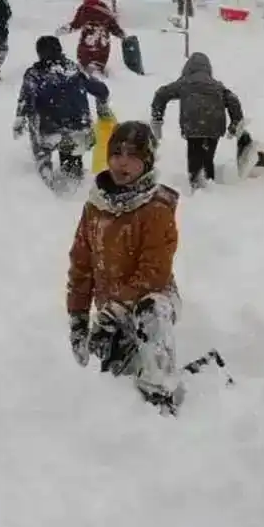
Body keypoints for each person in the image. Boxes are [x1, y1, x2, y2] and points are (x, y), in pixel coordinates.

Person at [67, 121, 184, 415]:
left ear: (146, 162)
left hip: (154, 300)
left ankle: (163, 392)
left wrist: (115, 311)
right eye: (116, 153)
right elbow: (81, 264)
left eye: (133, 155)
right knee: (115, 381)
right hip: (109, 311)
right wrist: (79, 318)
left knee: (151, 311)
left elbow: (154, 272)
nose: (122, 162)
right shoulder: (95, 207)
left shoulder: (156, 209)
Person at [13, 36, 110, 190]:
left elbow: (26, 101)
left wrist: (20, 120)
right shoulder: (74, 70)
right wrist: (103, 105)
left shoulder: (34, 74)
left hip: (49, 129)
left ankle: (44, 171)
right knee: (72, 153)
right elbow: (101, 90)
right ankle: (73, 181)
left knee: (35, 125)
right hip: (79, 127)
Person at [149, 52, 244, 189]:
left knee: (194, 155)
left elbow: (161, 93)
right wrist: (235, 123)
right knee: (208, 155)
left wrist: (157, 116)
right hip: (215, 125)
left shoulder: (184, 82)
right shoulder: (217, 85)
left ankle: (197, 185)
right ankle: (208, 180)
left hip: (193, 124)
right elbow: (233, 100)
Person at [60, 0, 124, 76]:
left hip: (86, 44)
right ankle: (99, 72)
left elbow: (76, 24)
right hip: (102, 44)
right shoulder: (104, 9)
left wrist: (65, 29)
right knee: (99, 64)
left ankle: (87, 74)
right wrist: (121, 34)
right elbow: (113, 26)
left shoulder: (84, 9)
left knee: (84, 66)